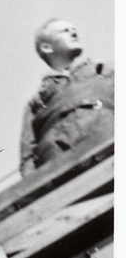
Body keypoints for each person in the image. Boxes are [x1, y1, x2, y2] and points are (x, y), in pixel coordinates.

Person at [20, 19, 114, 176]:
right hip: (61, 168)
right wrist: (37, 182)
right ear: (46, 47)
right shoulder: (37, 100)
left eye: (74, 29)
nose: (73, 32)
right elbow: (27, 156)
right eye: (65, 31)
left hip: (110, 149)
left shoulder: (104, 70)